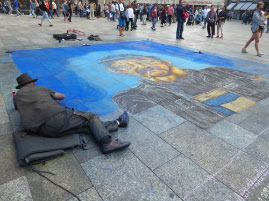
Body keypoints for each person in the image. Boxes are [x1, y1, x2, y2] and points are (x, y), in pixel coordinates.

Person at [13, 73, 131, 154]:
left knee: (85, 127)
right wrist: (50, 96)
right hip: (56, 118)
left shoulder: (16, 97)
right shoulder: (40, 88)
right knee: (90, 117)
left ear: (21, 87)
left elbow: (18, 109)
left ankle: (118, 122)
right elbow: (61, 96)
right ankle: (108, 142)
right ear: (32, 83)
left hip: (40, 131)